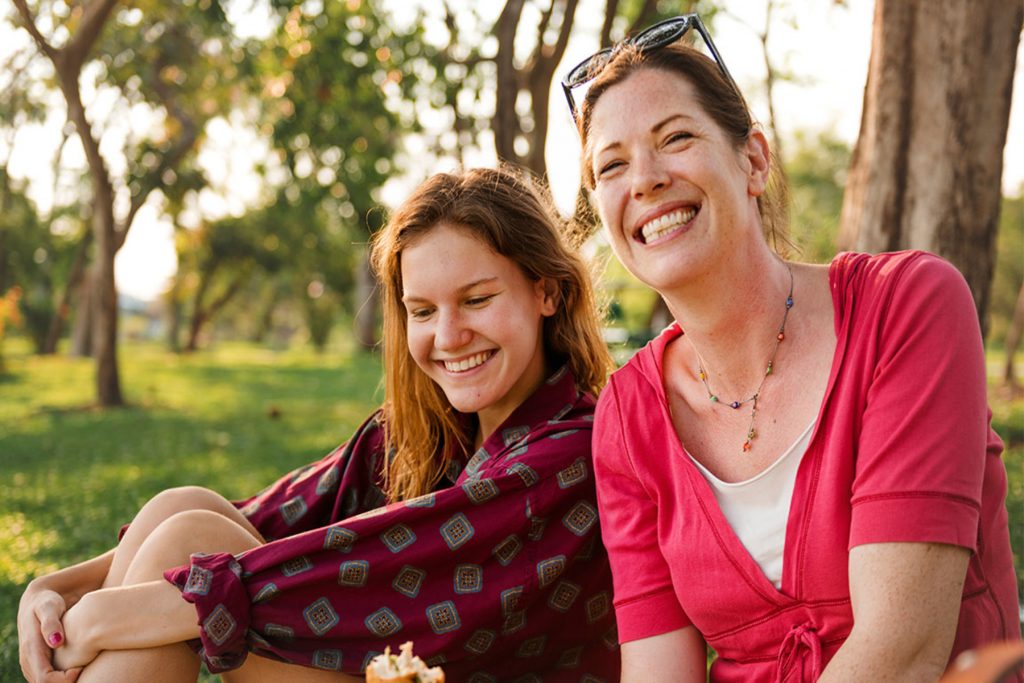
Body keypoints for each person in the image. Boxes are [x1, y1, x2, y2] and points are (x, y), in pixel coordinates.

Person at [17, 166, 620, 682]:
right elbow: (267, 519)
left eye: (478, 299)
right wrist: (60, 586)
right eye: (422, 310)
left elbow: (377, 578)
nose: (448, 335)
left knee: (187, 546)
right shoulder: (419, 436)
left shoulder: (575, 452)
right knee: (183, 510)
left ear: (548, 292)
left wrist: (107, 616)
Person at [562, 13, 1022, 682]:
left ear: (753, 160)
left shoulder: (907, 307)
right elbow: (659, 669)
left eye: (676, 138)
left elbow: (903, 652)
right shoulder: (628, 416)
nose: (646, 178)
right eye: (612, 165)